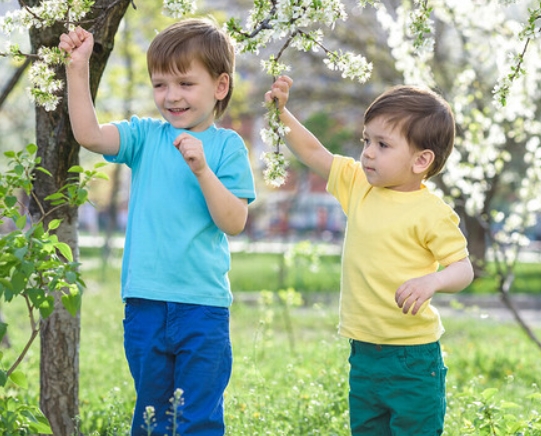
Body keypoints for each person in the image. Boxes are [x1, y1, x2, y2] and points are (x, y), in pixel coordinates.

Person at [59, 18, 256, 436]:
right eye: (160, 84)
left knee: (197, 419)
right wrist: (77, 68)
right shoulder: (145, 136)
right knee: (151, 417)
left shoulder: (227, 147)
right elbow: (89, 135)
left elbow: (234, 221)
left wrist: (202, 169)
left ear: (220, 86)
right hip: (145, 304)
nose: (171, 96)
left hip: (202, 308)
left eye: (185, 84)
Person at [266, 76, 474, 435]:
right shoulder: (359, 184)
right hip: (363, 352)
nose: (368, 152)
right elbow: (315, 152)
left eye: (382, 144)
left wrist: (433, 280)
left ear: (421, 160)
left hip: (413, 357)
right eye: (366, 140)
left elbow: (463, 268)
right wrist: (281, 113)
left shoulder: (430, 211)